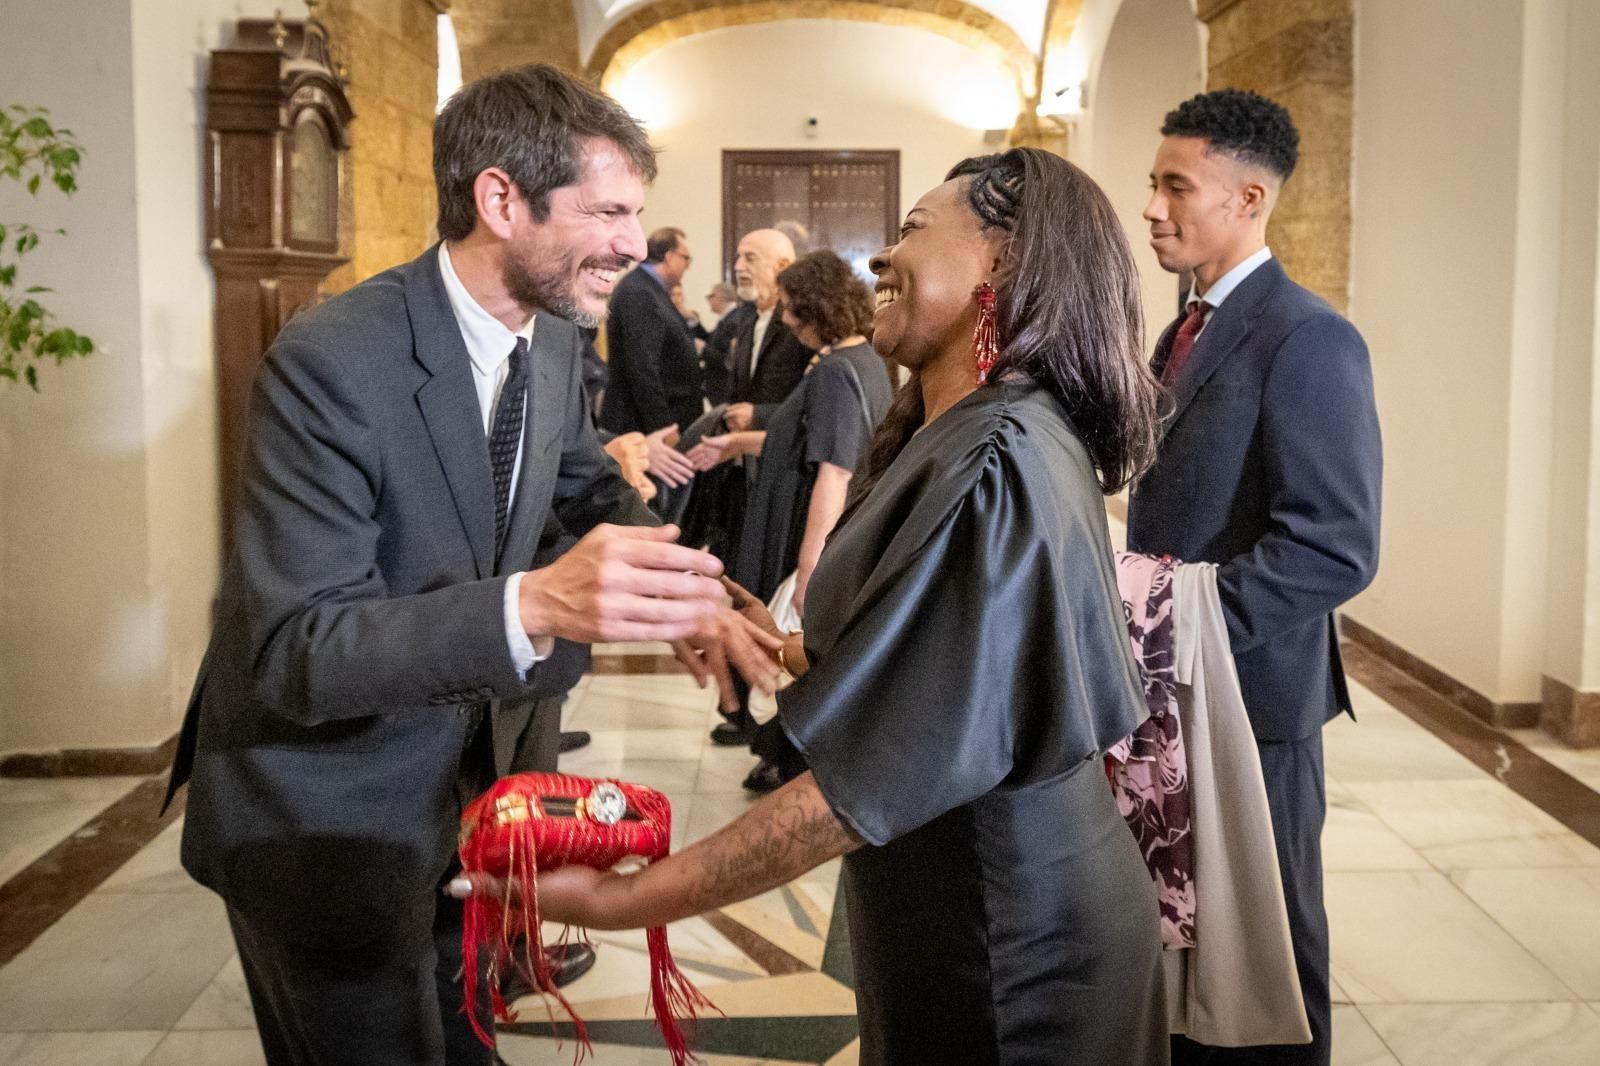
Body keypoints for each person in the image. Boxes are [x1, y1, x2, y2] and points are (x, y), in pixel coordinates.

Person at [485, 148, 1169, 1066]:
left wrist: (631, 901)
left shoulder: (997, 457)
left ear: (1001, 262)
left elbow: (861, 788)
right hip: (948, 903)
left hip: (1010, 940)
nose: (881, 257)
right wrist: (794, 648)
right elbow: (958, 657)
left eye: (914, 229)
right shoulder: (962, 428)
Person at [165, 64, 778, 1066]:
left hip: (464, 811)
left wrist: (687, 597)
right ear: (501, 199)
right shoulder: (333, 362)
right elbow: (295, 649)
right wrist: (535, 601)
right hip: (325, 816)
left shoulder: (544, 344)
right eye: (610, 209)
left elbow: (583, 483)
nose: (635, 242)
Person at [1129, 89, 1382, 1066]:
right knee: (1197, 937)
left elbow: (1334, 543)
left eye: (1174, 186)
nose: (1151, 206)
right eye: (1152, 183)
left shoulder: (1307, 336)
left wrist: (1173, 624)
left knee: (1274, 944)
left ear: (1248, 198)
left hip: (1252, 693)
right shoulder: (1182, 328)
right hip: (1181, 688)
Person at [685, 250, 893, 786]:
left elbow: (834, 472)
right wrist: (737, 443)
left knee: (784, 645)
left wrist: (808, 570)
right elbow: (803, 438)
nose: (786, 320)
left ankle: (783, 757)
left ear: (816, 309)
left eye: (793, 310)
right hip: (817, 524)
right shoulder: (862, 360)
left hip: (804, 529)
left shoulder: (835, 372)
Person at [599, 226, 705, 436]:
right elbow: (642, 367)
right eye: (686, 259)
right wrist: (664, 428)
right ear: (669, 256)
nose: (687, 267)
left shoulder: (651, 289)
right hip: (642, 428)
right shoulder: (640, 292)